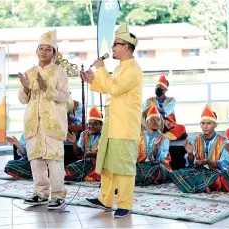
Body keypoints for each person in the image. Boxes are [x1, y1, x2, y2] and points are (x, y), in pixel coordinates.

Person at [81, 24, 143, 218]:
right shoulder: (119, 68)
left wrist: (100, 69)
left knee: (123, 167)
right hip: (112, 124)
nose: (113, 48)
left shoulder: (133, 70)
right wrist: (93, 80)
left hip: (124, 126)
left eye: (116, 44)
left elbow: (115, 89)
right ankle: (105, 199)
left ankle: (125, 204)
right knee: (108, 163)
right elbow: (110, 87)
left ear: (126, 47)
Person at [18, 29, 69, 210]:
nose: (44, 52)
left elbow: (64, 98)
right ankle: (40, 194)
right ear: (36, 51)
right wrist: (25, 88)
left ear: (54, 53)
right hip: (34, 123)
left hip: (53, 124)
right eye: (41, 48)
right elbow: (23, 100)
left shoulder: (60, 73)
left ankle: (58, 195)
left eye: (48, 49)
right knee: (36, 160)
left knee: (54, 161)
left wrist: (45, 87)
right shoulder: (29, 72)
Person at [170, 105, 229, 193]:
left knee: (222, 179)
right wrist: (190, 154)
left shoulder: (224, 141)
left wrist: (208, 162)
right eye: (203, 123)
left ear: (215, 125)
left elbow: (226, 164)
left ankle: (200, 184)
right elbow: (191, 164)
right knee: (177, 173)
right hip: (199, 172)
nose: (205, 126)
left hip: (216, 173)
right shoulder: (196, 139)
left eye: (209, 123)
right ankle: (204, 185)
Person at [136, 106, 172, 186]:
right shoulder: (140, 136)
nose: (156, 122)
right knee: (131, 167)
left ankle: (139, 180)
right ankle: (143, 179)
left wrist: (155, 147)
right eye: (152, 119)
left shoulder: (164, 138)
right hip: (142, 165)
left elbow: (159, 160)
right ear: (146, 122)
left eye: (158, 119)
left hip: (158, 166)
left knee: (157, 169)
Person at [142, 75, 186, 140]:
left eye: (160, 87)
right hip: (152, 125)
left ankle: (163, 137)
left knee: (181, 128)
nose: (157, 88)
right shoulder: (149, 100)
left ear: (165, 90)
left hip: (167, 125)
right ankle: (156, 136)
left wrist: (152, 108)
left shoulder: (171, 100)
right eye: (157, 86)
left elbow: (166, 111)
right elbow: (143, 113)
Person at [65, 106, 103, 181]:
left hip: (100, 163)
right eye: (89, 124)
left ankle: (85, 177)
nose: (91, 126)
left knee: (102, 173)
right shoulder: (84, 134)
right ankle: (86, 177)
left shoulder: (104, 136)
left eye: (95, 124)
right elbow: (77, 154)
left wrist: (93, 155)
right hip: (86, 162)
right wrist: (74, 142)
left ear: (101, 125)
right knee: (68, 169)